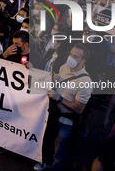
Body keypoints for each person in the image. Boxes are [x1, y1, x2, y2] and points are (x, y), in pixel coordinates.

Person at [34, 43, 92, 171]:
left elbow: (79, 109)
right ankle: (46, 163)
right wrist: (34, 70)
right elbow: (58, 78)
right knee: (48, 140)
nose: (70, 57)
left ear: (83, 60)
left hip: (66, 120)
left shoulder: (85, 82)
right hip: (54, 113)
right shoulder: (65, 67)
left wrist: (59, 98)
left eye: (75, 56)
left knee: (59, 148)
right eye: (70, 54)